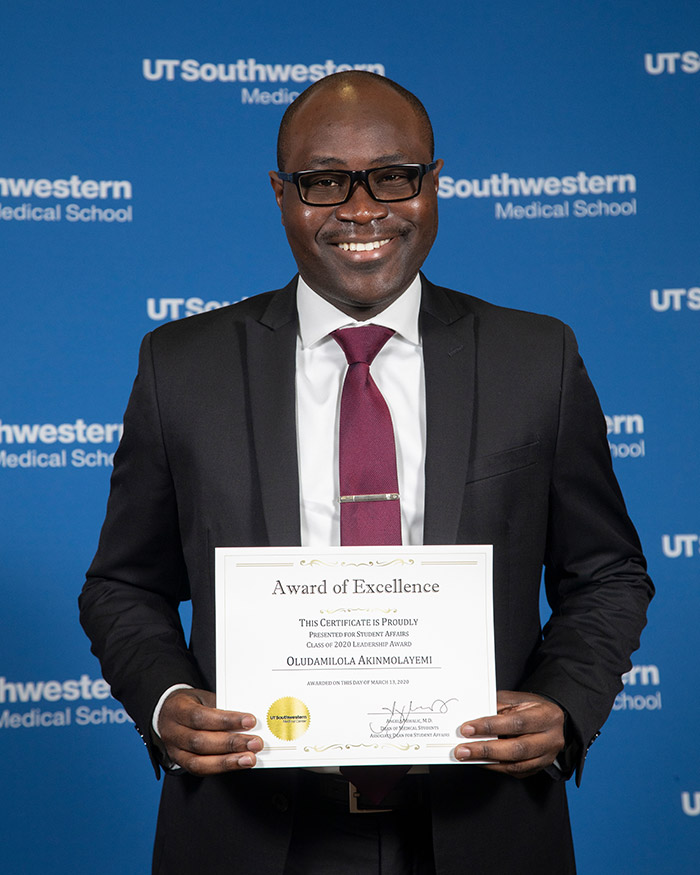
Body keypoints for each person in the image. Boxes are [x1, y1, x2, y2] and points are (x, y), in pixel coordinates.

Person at [79, 71, 653, 874]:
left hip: (483, 827)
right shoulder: (182, 366)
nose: (361, 209)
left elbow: (609, 573)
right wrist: (168, 703)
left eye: (393, 177)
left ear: (434, 184)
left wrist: (564, 701)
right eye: (323, 182)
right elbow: (122, 585)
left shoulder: (537, 358)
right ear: (281, 193)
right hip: (251, 833)